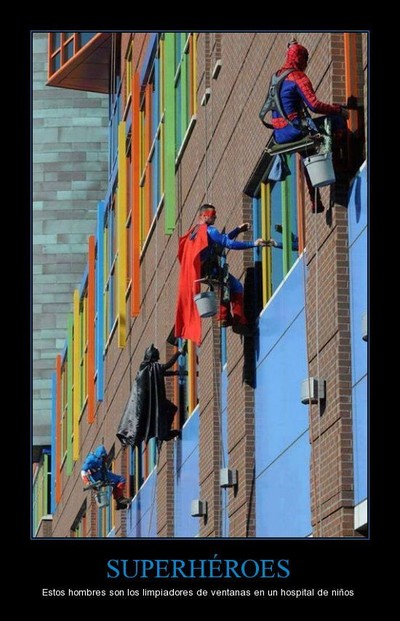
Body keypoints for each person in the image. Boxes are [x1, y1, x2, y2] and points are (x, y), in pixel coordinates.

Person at [261, 39, 349, 211]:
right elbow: (314, 105)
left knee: (307, 153)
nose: (306, 64)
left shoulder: (276, 77)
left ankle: (315, 201)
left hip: (279, 134)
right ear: (301, 59)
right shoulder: (297, 77)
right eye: (305, 59)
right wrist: (338, 109)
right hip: (294, 129)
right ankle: (341, 165)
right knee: (337, 121)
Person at [175, 204, 269, 343]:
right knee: (236, 287)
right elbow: (227, 243)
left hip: (200, 271)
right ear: (205, 216)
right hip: (210, 269)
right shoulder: (210, 230)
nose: (215, 217)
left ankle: (224, 317)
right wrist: (253, 244)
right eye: (213, 215)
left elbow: (220, 240)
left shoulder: (194, 233)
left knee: (225, 286)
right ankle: (239, 321)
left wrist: (237, 230)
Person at [116, 343, 187, 449]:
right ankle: (165, 433)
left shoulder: (145, 368)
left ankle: (165, 432)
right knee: (171, 408)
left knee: (171, 409)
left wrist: (176, 373)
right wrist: (179, 352)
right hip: (154, 404)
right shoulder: (151, 367)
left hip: (151, 403)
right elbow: (166, 366)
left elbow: (160, 372)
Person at [81, 445, 131, 510]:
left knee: (120, 480)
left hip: (103, 474)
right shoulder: (91, 459)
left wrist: (107, 478)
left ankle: (119, 501)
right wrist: (87, 482)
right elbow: (83, 471)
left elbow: (104, 468)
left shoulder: (102, 458)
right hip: (96, 477)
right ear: (100, 455)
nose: (104, 458)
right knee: (119, 480)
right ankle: (119, 499)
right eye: (103, 457)